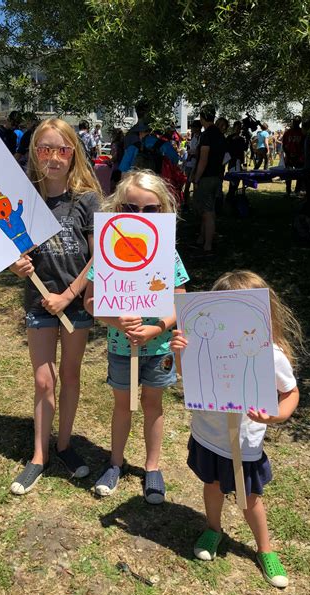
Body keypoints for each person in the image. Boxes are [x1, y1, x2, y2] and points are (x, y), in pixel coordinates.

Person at [171, 270, 301, 588]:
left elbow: (290, 392)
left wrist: (276, 416)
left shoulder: (270, 354)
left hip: (244, 444)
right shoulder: (202, 343)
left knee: (250, 498)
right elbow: (189, 377)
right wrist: (179, 353)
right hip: (209, 436)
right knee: (212, 486)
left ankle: (265, 550)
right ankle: (213, 528)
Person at [8, 118, 102, 495]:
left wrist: (69, 295)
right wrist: (16, 265)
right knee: (43, 380)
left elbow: (99, 258)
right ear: (34, 153)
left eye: (61, 149)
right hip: (37, 301)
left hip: (74, 306)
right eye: (44, 149)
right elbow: (13, 247)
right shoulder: (24, 197)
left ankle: (64, 445)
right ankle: (39, 455)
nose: (53, 157)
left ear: (73, 153)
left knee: (71, 375)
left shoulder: (87, 199)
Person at [83, 170, 189, 503]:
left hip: (158, 349)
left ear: (164, 212)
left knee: (152, 406)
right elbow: (89, 301)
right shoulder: (105, 253)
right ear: (117, 210)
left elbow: (180, 301)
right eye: (130, 208)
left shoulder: (167, 254)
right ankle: (115, 463)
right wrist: (116, 321)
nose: (139, 217)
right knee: (122, 406)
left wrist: (158, 327)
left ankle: (153, 468)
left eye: (150, 210)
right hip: (120, 347)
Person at [192, 105, 226, 255]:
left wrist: (197, 177)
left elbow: (203, 159)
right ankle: (202, 238)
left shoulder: (207, 136)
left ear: (202, 117)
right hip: (217, 176)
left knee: (207, 212)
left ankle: (207, 245)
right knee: (209, 209)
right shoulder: (220, 134)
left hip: (207, 177)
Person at [282, 116, 305, 195]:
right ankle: (288, 190)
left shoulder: (302, 132)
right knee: (288, 174)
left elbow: (303, 146)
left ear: (299, 122)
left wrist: (298, 156)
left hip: (299, 157)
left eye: (297, 122)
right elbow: (284, 145)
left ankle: (297, 190)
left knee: (299, 174)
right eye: (294, 121)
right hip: (289, 157)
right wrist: (288, 155)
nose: (295, 123)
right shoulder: (287, 132)